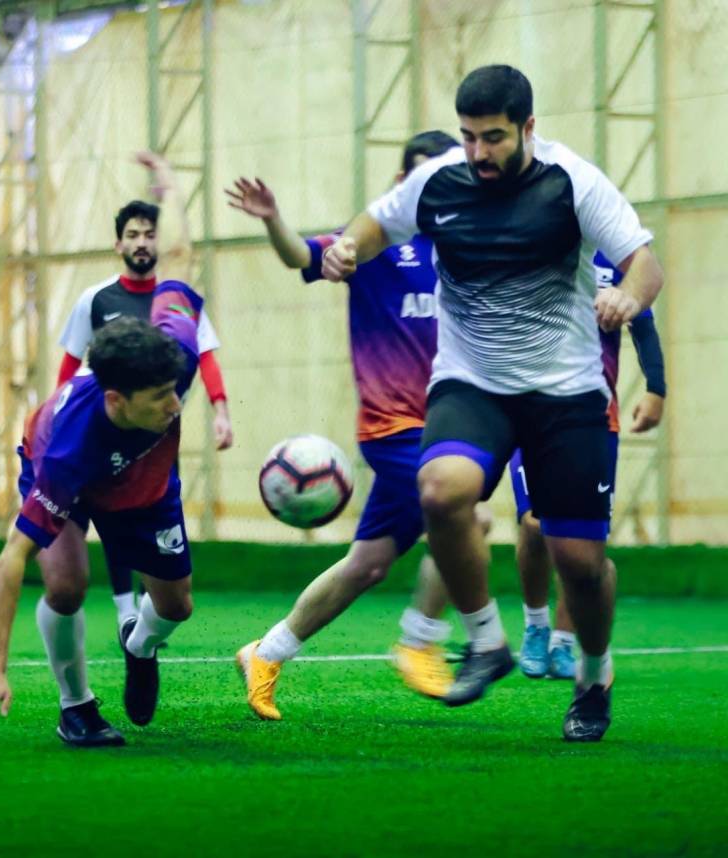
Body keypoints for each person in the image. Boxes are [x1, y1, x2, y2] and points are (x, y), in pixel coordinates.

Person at [321, 65, 664, 742]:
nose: (479, 152)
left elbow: (644, 264)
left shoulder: (573, 182)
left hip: (566, 392)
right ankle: (486, 641)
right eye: (469, 137)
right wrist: (346, 249)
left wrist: (629, 297)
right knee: (440, 492)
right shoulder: (438, 180)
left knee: (579, 564)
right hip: (473, 383)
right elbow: (377, 222)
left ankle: (593, 675)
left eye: (495, 138)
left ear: (528, 128)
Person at [225, 131, 474, 721]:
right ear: (402, 184)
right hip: (394, 427)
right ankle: (420, 640)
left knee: (368, 564)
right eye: (422, 176)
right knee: (468, 515)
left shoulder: (466, 250)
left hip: (446, 422)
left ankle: (265, 652)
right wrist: (274, 220)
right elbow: (303, 257)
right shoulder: (375, 241)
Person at [0, 157, 204, 747]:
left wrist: (170, 192)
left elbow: (179, 260)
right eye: (159, 400)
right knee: (66, 585)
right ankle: (77, 707)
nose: (175, 406)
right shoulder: (68, 451)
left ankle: (139, 645)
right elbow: (13, 557)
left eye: (175, 391)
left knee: (176, 607)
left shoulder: (175, 355)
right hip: (75, 474)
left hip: (145, 486)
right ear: (117, 400)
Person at [57, 154, 232, 629]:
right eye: (132, 234)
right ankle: (125, 612)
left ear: (159, 240)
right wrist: (63, 421)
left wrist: (221, 410)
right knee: (110, 518)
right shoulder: (96, 299)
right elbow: (70, 368)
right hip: (106, 434)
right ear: (118, 244)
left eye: (149, 233)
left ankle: (146, 623)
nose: (141, 242)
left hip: (159, 434)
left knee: (162, 551)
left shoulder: (177, 305)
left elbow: (206, 353)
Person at [513, 250, 667, 680]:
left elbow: (644, 323)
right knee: (534, 525)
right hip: (528, 410)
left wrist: (655, 388)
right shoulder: (531, 239)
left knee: (580, 542)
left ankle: (564, 642)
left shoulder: (616, 256)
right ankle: (536, 625)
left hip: (596, 419)